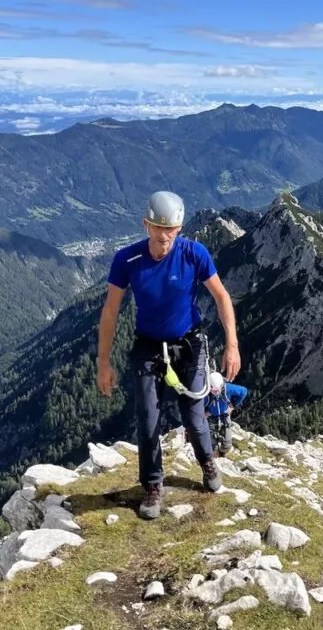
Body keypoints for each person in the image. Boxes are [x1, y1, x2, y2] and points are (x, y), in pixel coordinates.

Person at [96, 190, 241, 520]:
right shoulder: (127, 260)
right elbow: (110, 311)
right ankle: (152, 485)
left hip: (189, 344)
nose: (165, 236)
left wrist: (232, 344)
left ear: (180, 228)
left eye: (172, 229)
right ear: (146, 225)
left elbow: (221, 297)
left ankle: (207, 461)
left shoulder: (194, 254)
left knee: (193, 414)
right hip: (148, 347)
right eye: (159, 228)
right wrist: (103, 362)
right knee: (148, 419)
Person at [204, 370, 248, 457]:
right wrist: (203, 413)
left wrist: (233, 405)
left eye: (217, 390)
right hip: (210, 419)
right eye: (213, 390)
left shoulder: (228, 388)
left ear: (221, 386)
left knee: (227, 445)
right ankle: (213, 456)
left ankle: (221, 453)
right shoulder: (204, 393)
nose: (216, 393)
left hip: (225, 418)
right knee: (211, 445)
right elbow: (194, 404)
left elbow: (244, 391)